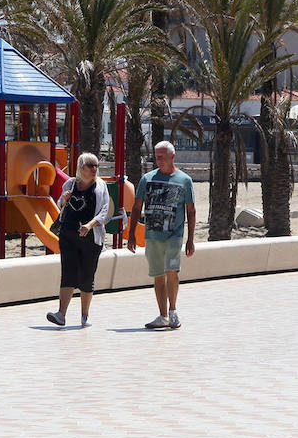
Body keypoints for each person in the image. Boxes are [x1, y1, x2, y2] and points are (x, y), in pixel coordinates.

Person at [127, 141, 196, 330]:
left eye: (162, 157)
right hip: (152, 234)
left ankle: (173, 311)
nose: (158, 160)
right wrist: (131, 234)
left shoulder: (184, 180)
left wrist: (190, 239)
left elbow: (190, 210)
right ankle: (162, 315)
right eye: (156, 156)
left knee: (171, 270)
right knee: (158, 275)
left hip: (174, 234)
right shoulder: (147, 179)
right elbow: (136, 207)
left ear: (172, 156)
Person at [46, 153, 112, 328]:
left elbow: (105, 212)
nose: (94, 169)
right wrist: (64, 199)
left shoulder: (100, 186)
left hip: (91, 237)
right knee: (67, 273)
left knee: (86, 276)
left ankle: (85, 315)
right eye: (90, 165)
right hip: (68, 235)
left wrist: (89, 225)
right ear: (81, 167)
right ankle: (61, 314)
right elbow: (60, 205)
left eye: (96, 165)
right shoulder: (70, 183)